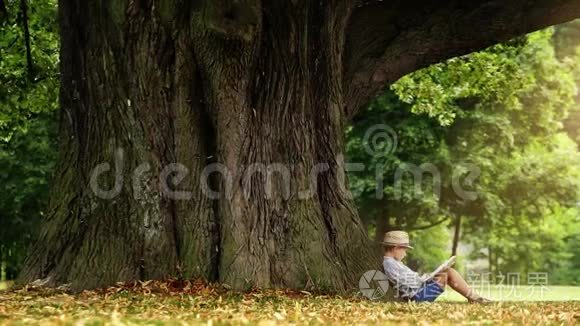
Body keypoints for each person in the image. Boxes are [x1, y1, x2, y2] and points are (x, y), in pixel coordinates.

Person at [381, 230, 491, 303]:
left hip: (420, 291)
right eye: (404, 249)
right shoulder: (390, 264)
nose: (405, 253)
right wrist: (425, 278)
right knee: (447, 273)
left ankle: (473, 297)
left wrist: (429, 276)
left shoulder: (395, 263)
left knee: (449, 271)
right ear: (395, 248)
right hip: (418, 297)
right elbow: (411, 283)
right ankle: (474, 298)